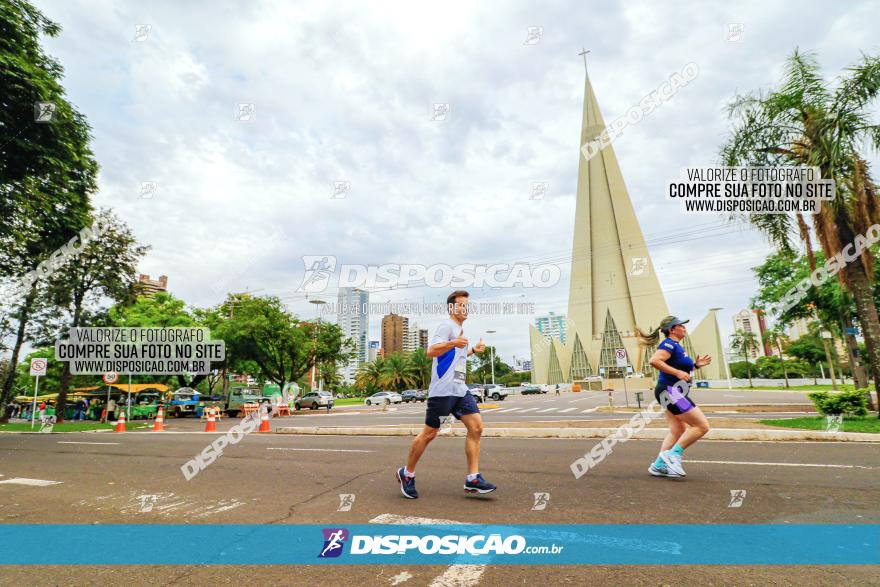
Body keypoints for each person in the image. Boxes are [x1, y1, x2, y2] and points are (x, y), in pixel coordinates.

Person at [396, 290, 495, 499]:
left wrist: (473, 350)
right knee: (430, 433)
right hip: (443, 392)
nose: (465, 309)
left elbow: (456, 356)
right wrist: (452, 343)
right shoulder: (446, 326)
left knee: (476, 427)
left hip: (460, 390)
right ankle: (407, 473)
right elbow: (431, 351)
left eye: (467, 305)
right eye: (461, 305)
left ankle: (473, 479)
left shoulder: (459, 330)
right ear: (452, 308)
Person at [640, 316, 712, 478]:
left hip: (670, 391)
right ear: (672, 330)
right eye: (681, 326)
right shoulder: (669, 344)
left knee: (677, 430)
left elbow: (679, 367)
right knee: (701, 426)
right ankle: (673, 455)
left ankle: (659, 465)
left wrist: (695, 366)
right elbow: (654, 360)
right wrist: (677, 372)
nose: (684, 328)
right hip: (671, 392)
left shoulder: (677, 347)